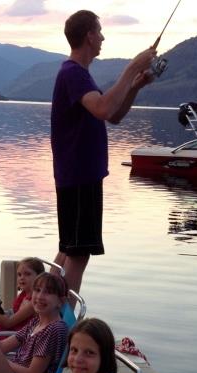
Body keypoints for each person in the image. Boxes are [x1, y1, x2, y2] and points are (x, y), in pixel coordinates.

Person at [51, 10, 158, 293]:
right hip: (78, 176)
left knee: (68, 249)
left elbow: (112, 115)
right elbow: (103, 108)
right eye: (99, 31)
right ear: (89, 35)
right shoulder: (73, 73)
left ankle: (45, 318)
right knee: (78, 253)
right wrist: (133, 66)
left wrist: (134, 87)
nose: (103, 37)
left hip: (79, 176)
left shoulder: (79, 76)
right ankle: (60, 327)